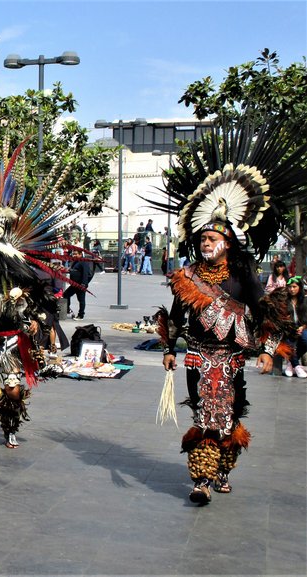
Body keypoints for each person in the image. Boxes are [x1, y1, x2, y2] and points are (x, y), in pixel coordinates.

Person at [152, 110, 303, 506]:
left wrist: (269, 352)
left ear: (228, 242)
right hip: (197, 357)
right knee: (203, 416)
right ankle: (200, 478)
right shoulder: (186, 277)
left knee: (230, 417)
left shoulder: (244, 273)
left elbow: (268, 310)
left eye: (213, 237)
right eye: (202, 237)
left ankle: (221, 467)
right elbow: (175, 314)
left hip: (232, 358)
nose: (206, 242)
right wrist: (169, 349)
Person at [0, 140, 86, 452]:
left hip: (8, 336)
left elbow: (38, 298)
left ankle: (9, 426)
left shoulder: (17, 266)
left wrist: (27, 311)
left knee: (11, 392)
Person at [283, 276, 307, 377]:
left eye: (294, 286)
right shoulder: (284, 300)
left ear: (300, 287)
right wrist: (291, 328)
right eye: (289, 287)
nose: (291, 289)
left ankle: (290, 363)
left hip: (303, 327)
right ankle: (296, 366)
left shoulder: (305, 300)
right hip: (288, 328)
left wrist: (303, 327)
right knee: (289, 342)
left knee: (306, 340)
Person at [63, 251, 93, 319]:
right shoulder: (76, 261)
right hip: (74, 284)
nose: (74, 255)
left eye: (76, 254)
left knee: (81, 300)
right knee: (65, 295)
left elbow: (85, 273)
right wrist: (69, 270)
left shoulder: (83, 261)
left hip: (80, 284)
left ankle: (81, 315)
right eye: (73, 254)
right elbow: (75, 270)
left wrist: (84, 284)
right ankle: (68, 310)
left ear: (80, 254)